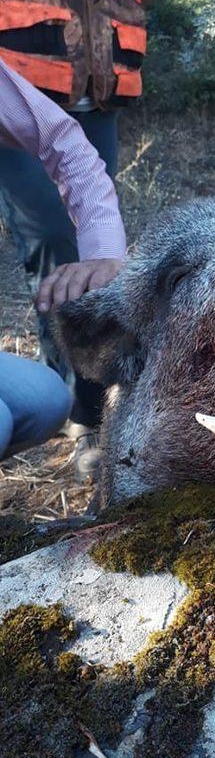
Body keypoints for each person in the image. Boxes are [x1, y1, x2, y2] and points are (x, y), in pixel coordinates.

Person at [0, 0, 192, 480]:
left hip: (91, 111)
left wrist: (107, 251)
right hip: (21, 108)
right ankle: (78, 409)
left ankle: (94, 407)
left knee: (97, 262)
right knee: (54, 244)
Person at [0, 57, 127, 463]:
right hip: (42, 78)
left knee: (43, 400)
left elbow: (62, 141)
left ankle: (88, 411)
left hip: (89, 97)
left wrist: (105, 251)